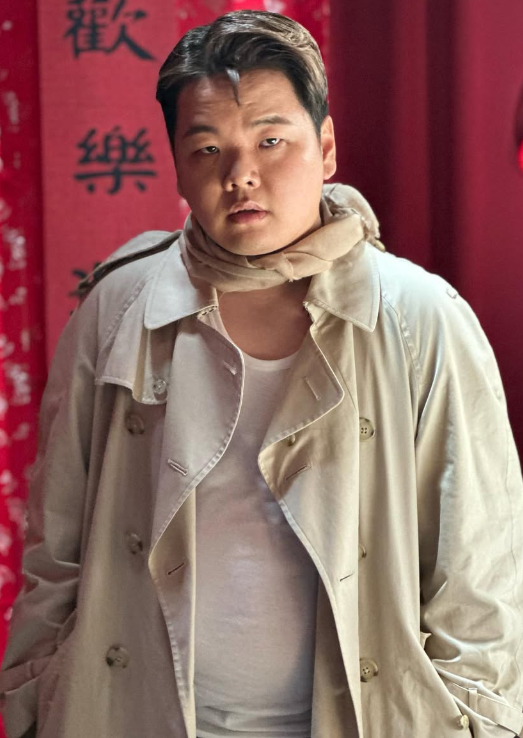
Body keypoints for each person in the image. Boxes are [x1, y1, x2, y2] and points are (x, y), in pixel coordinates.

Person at [1, 9, 522, 738]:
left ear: (326, 147)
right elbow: (55, 546)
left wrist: (479, 721)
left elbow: (480, 567)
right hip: (139, 714)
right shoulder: (119, 307)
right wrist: (32, 699)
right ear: (177, 164)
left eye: (271, 140)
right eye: (208, 147)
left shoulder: (418, 317)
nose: (240, 173)